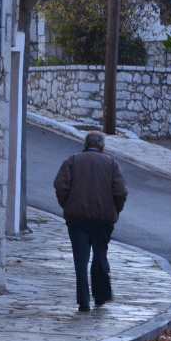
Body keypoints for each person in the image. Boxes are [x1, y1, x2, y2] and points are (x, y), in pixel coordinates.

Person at [53, 132, 128, 312]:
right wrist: (115, 210)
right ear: (102, 146)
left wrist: (68, 205)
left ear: (85, 144)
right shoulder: (111, 164)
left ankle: (83, 301)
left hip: (77, 219)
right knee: (100, 255)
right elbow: (121, 191)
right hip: (103, 220)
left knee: (80, 260)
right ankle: (101, 296)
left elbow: (60, 185)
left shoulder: (72, 161)